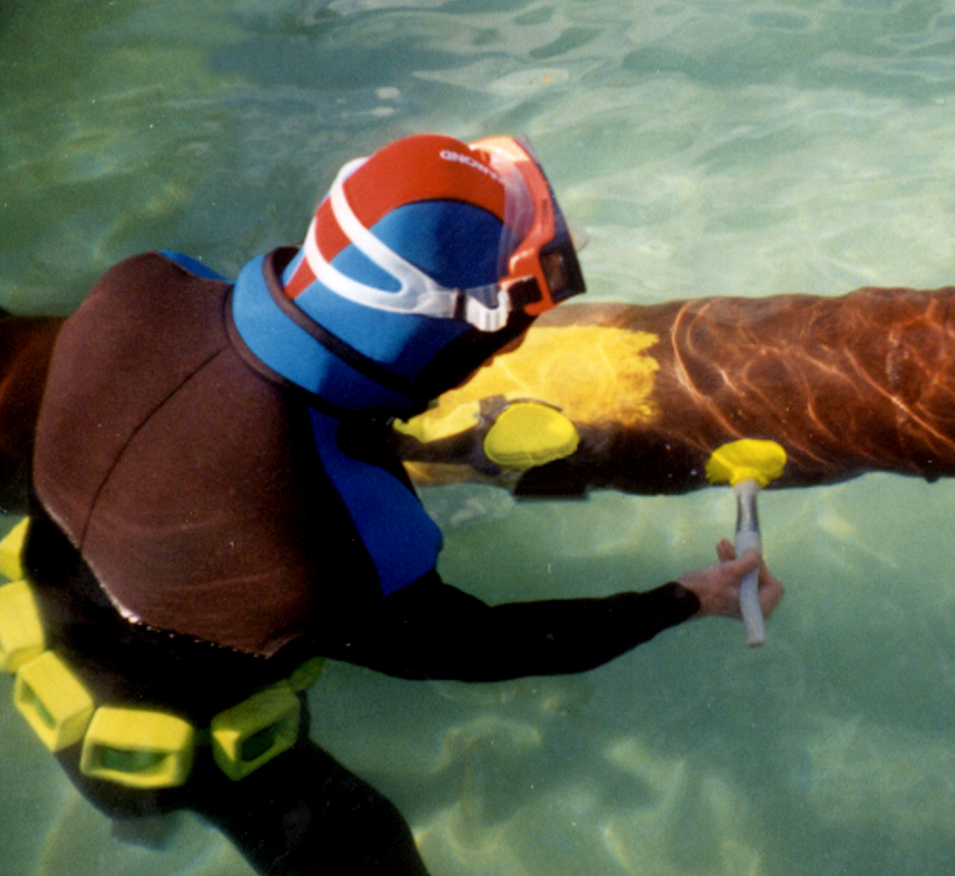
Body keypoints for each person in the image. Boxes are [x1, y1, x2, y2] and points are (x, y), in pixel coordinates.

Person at [6, 133, 782, 875]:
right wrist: (685, 599)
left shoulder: (143, 283)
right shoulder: (343, 543)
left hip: (45, 613)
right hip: (167, 740)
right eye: (508, 331)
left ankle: (135, 820)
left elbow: (216, 410)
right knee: (364, 846)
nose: (509, 345)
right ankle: (143, 810)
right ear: (449, 338)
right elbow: (488, 646)